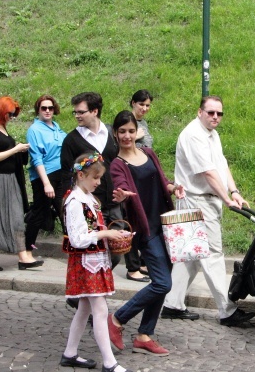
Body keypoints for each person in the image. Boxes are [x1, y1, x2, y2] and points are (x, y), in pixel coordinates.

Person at [161, 95, 255, 326]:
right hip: (197, 200)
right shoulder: (193, 135)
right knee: (213, 254)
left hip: (206, 199)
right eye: (211, 112)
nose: (215, 117)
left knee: (191, 255)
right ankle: (227, 310)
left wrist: (234, 191)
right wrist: (226, 198)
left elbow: (221, 165)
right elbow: (208, 173)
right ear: (199, 112)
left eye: (219, 113)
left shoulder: (212, 134)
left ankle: (172, 304)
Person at [106, 111, 185, 356]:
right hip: (146, 230)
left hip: (166, 226)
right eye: (122, 132)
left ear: (136, 131)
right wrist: (122, 196)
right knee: (162, 283)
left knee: (162, 284)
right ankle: (117, 320)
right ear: (116, 135)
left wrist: (173, 187)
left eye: (131, 130)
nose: (127, 136)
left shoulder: (148, 153)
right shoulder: (117, 165)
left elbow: (161, 180)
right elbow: (122, 188)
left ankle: (144, 335)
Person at [59, 152, 132, 372]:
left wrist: (111, 235)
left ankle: (70, 353)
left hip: (94, 260)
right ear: (81, 175)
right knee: (99, 310)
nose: (99, 182)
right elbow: (78, 239)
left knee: (84, 308)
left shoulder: (88, 198)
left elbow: (93, 229)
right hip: (85, 262)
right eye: (95, 178)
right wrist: (105, 234)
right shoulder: (75, 202)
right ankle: (109, 363)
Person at [0, 96, 42, 271]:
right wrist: (15, 149)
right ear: (1, 111)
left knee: (15, 215)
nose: (11, 118)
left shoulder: (3, 128)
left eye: (13, 115)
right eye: (10, 114)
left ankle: (23, 257)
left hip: (9, 178)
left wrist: (20, 151)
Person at [60, 92, 123, 270]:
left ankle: (94, 285)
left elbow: (121, 163)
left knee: (117, 250)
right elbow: (66, 175)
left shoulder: (111, 133)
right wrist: (67, 205)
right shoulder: (71, 140)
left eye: (81, 112)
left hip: (113, 201)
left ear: (94, 111)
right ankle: (84, 292)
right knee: (92, 249)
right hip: (89, 204)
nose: (77, 116)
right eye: (76, 112)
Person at [25, 95, 67, 261]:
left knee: (65, 213)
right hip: (45, 176)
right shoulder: (34, 130)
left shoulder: (56, 127)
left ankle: (74, 251)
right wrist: (46, 183)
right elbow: (37, 158)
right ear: (38, 110)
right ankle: (27, 253)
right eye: (44, 108)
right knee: (39, 213)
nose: (48, 111)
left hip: (60, 176)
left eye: (50, 107)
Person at [122, 89, 156, 283]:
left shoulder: (143, 124)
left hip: (145, 176)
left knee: (145, 220)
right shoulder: (128, 122)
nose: (144, 108)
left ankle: (142, 262)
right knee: (132, 221)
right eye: (141, 104)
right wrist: (134, 136)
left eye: (147, 105)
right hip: (131, 175)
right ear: (133, 102)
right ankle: (132, 267)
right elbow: (119, 145)